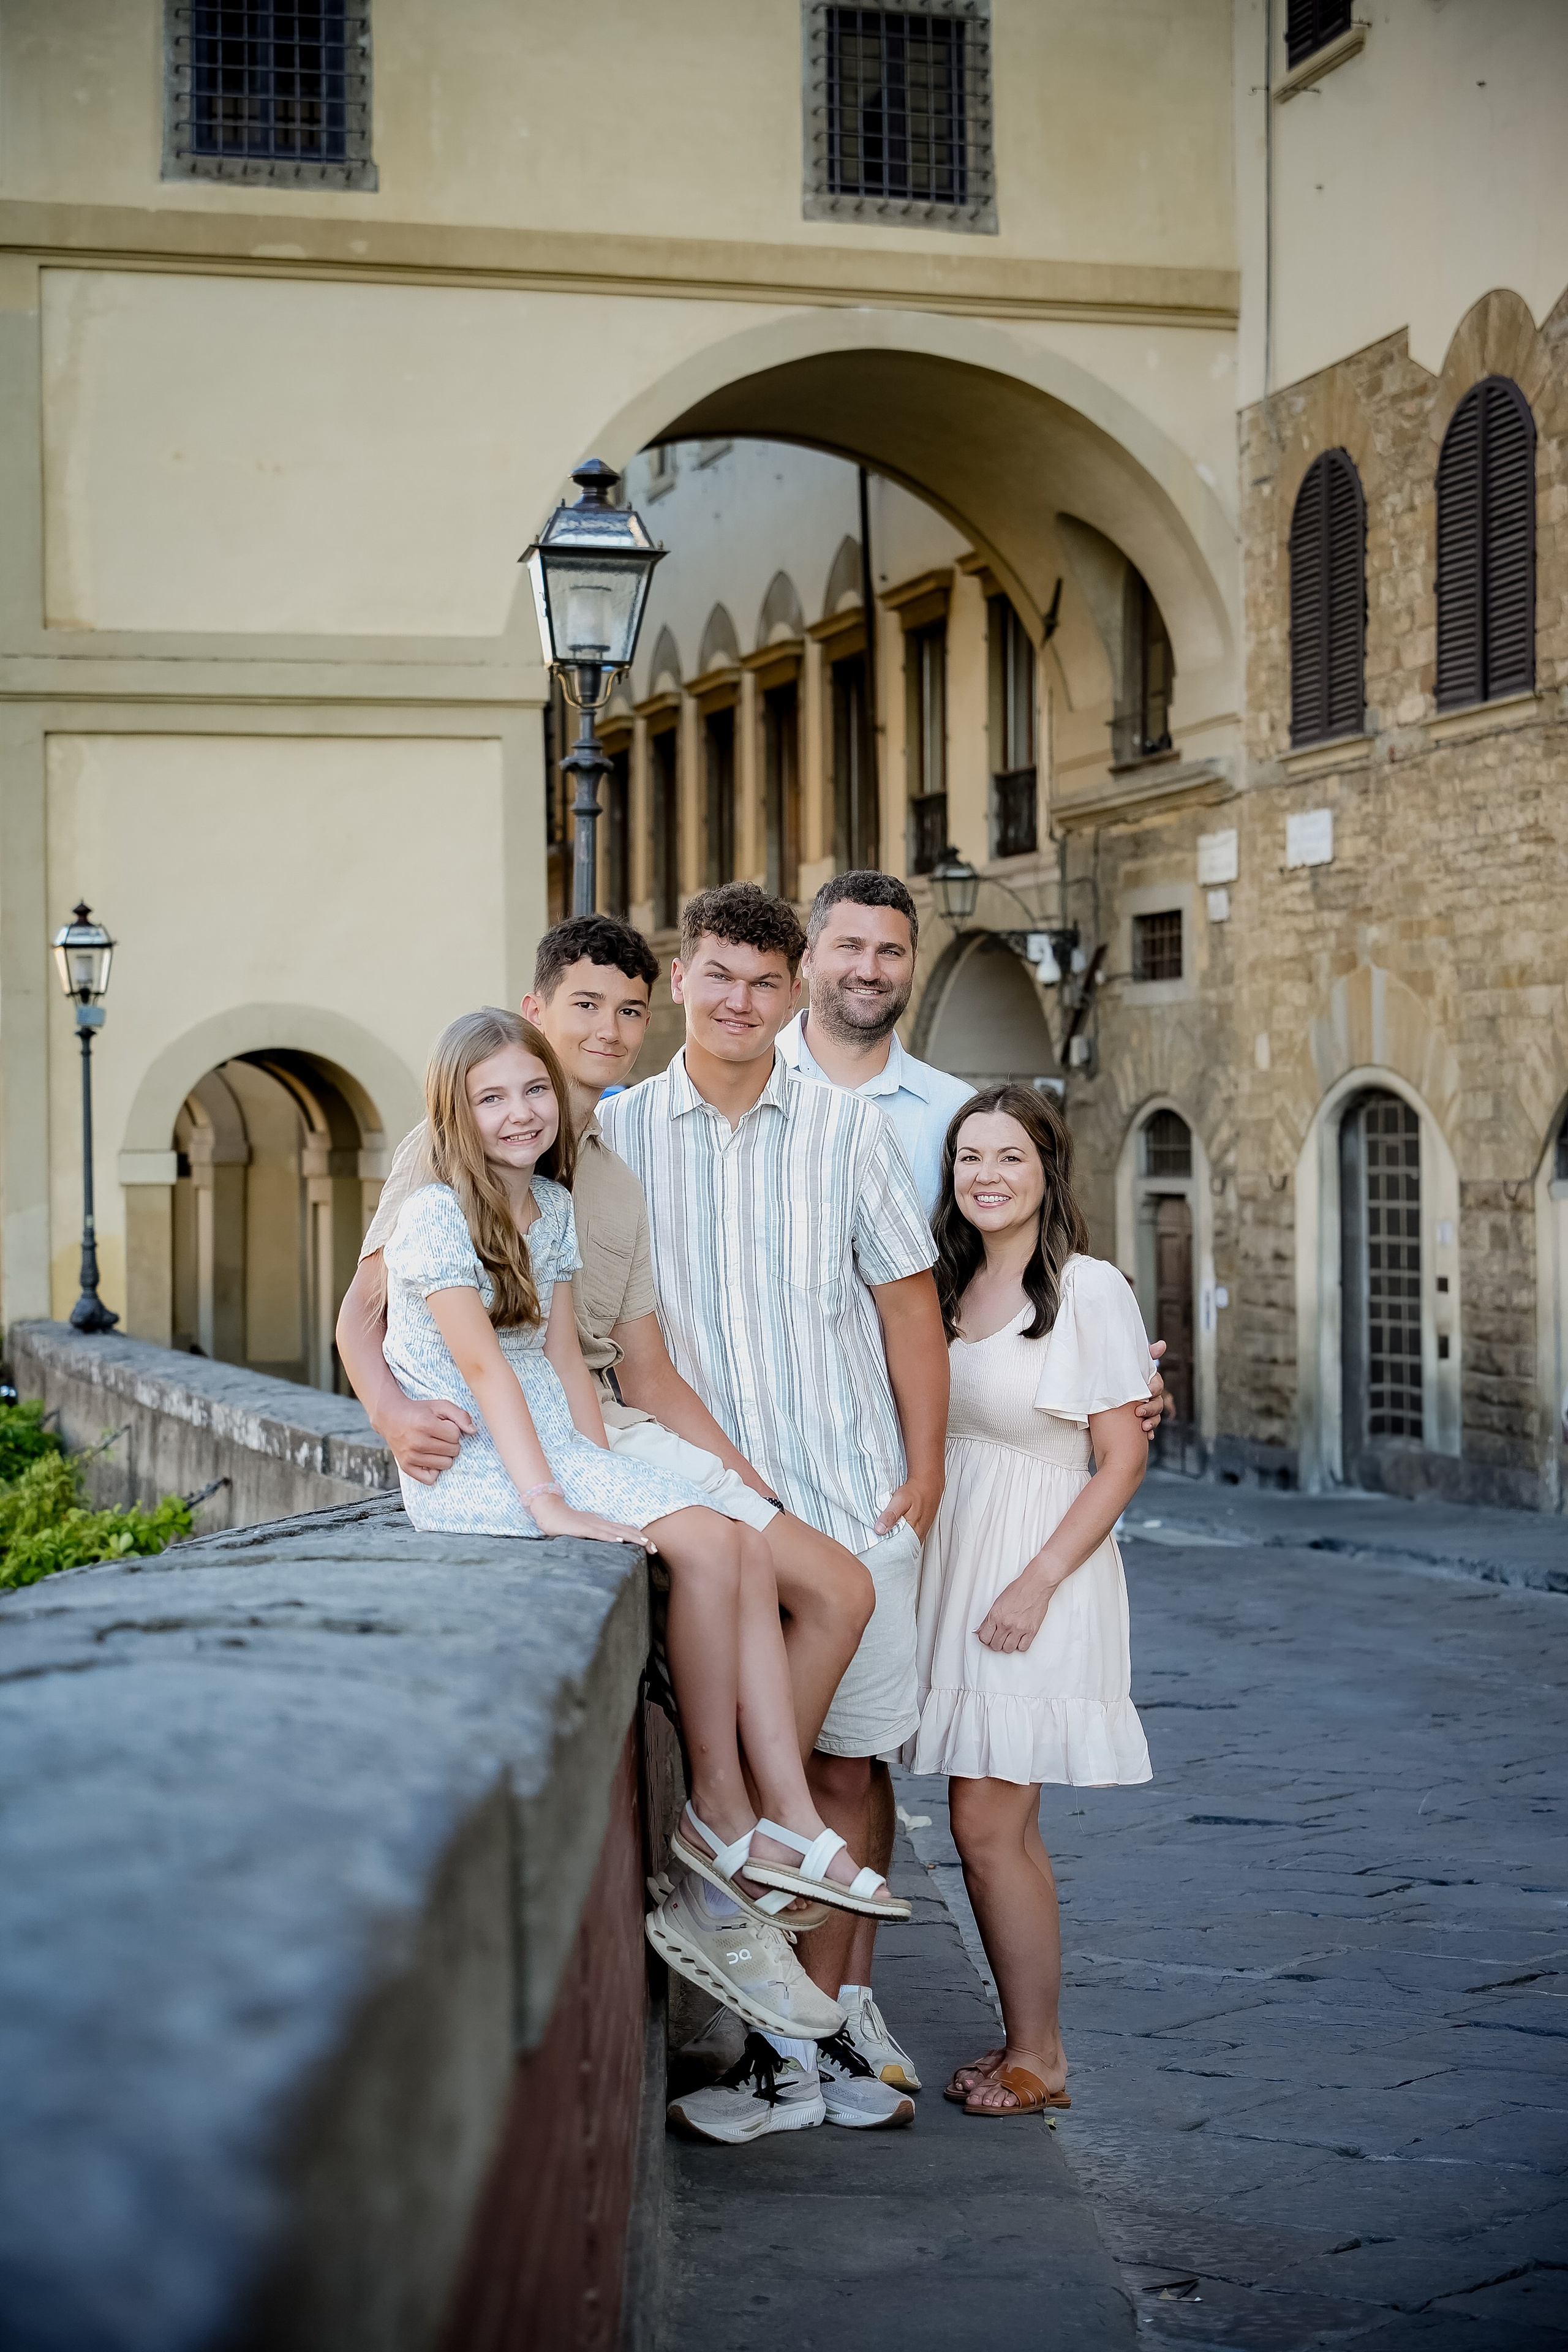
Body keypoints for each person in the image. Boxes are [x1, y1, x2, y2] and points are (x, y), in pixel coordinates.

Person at [337, 920, 913, 2130]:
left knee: (836, 1585)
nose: (604, 1032)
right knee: (742, 1566)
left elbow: (639, 1370)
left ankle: (737, 1846)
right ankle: (736, 1833)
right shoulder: (443, 1151)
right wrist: (393, 1415)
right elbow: (362, 1316)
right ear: (535, 1009)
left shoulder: (596, 1176)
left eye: (622, 1011)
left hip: (607, 1427)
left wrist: (746, 1480)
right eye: (582, 1008)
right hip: (522, 1444)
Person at [602, 881, 957, 2135]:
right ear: (681, 981)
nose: (740, 1001)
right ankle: (780, 2052)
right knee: (777, 1775)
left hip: (852, 1491)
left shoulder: (846, 1132)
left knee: (845, 1770)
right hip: (717, 1492)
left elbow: (908, 1307)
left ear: (791, 985)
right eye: (717, 976)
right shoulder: (618, 1135)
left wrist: (922, 1475)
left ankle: (829, 2023)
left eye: (763, 980)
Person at [905, 1085, 1153, 2119]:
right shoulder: (947, 1283)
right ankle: (1028, 2040)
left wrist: (1038, 1581)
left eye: (1010, 1156)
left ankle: (1040, 2056)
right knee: (995, 1824)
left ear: (1049, 1171)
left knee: (987, 1821)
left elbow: (1123, 1453)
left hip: (1035, 1573)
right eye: (969, 1157)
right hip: (956, 1565)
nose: (987, 1176)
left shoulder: (1086, 1287)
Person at [779, 869, 974, 1216]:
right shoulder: (748, 1088)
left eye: (890, 952)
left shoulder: (957, 1112)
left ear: (914, 963)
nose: (868, 971)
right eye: (850, 947)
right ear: (807, 959)